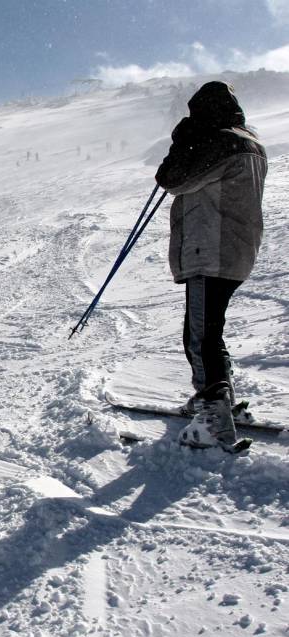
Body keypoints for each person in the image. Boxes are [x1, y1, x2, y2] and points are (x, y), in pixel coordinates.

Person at [155, 81, 267, 451]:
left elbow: (173, 179)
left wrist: (180, 144)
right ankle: (219, 398)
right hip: (234, 250)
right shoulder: (249, 142)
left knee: (199, 337)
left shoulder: (221, 142)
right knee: (208, 331)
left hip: (212, 249)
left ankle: (212, 413)